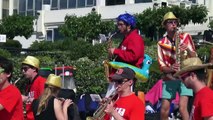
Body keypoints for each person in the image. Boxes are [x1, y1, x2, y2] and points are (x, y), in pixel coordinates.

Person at [157, 12, 197, 120]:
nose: (174, 24)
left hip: (186, 76)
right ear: (165, 25)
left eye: (175, 22)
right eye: (170, 22)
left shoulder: (185, 37)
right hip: (171, 76)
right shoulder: (161, 43)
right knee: (164, 109)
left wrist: (188, 49)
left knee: (182, 108)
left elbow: (195, 56)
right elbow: (161, 65)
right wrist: (171, 68)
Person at [106, 13, 144, 96]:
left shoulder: (135, 38)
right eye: (118, 24)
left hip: (127, 76)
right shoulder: (127, 38)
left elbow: (133, 56)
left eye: (121, 24)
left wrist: (116, 51)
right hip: (120, 75)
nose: (118, 27)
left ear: (129, 26)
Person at [21, 56, 46, 120]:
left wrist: (26, 98)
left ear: (34, 68)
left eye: (25, 69)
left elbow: (44, 102)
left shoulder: (42, 82)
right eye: (22, 69)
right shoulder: (28, 84)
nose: (23, 71)